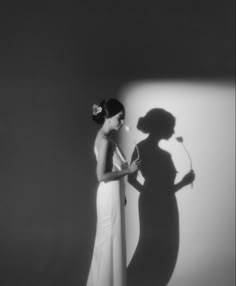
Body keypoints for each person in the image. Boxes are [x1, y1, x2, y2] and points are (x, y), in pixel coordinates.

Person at [127, 108, 195, 286]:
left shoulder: (164, 154)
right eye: (170, 127)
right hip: (155, 205)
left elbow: (165, 190)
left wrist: (183, 183)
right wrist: (150, 194)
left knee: (165, 248)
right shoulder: (141, 148)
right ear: (160, 126)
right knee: (153, 246)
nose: (172, 132)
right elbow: (131, 178)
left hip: (165, 204)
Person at [86, 98, 140, 286]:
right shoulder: (105, 142)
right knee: (110, 240)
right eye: (120, 117)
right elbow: (101, 175)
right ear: (107, 117)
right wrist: (129, 171)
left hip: (112, 195)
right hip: (109, 195)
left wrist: (122, 194)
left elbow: (108, 172)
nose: (122, 121)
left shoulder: (104, 139)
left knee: (109, 240)